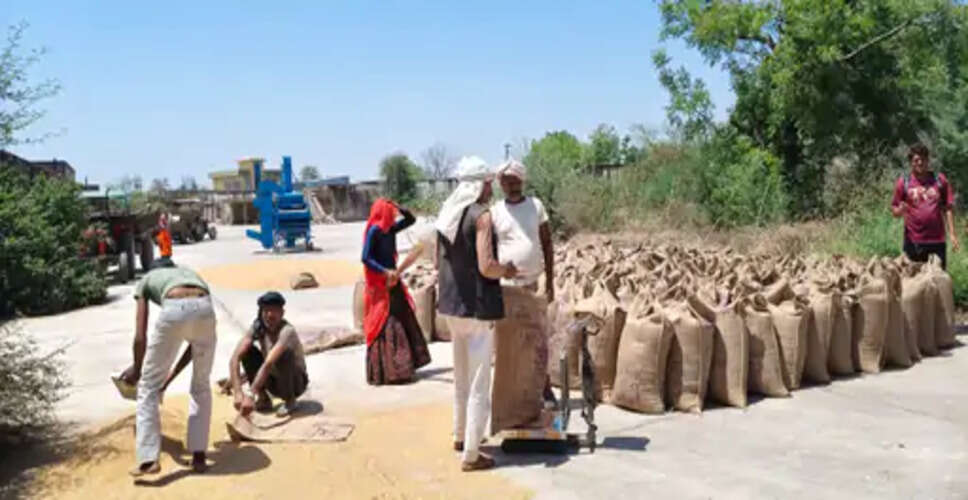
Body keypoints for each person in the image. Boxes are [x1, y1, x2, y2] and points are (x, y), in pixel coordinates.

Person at [435, 156, 517, 472]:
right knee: (479, 382)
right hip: (477, 308)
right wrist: (506, 269)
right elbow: (486, 266)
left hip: (452, 307)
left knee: (461, 376)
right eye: (487, 183)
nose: (490, 189)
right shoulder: (481, 216)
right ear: (479, 185)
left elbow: (439, 262)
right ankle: (471, 454)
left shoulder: (448, 215)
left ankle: (460, 435)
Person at [120, 258, 216, 477]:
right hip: (205, 307)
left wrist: (137, 369)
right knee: (201, 386)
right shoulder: (191, 275)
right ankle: (199, 458)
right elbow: (195, 345)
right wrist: (170, 376)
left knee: (147, 387)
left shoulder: (146, 280)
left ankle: (148, 460)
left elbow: (140, 335)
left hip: (173, 307)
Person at [488, 159, 557, 435]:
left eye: (515, 180)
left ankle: (544, 387)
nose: (511, 185)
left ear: (522, 181)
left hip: (533, 284)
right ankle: (515, 397)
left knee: (538, 339)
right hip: (507, 287)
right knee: (510, 344)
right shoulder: (495, 212)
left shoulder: (536, 206)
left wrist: (550, 281)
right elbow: (490, 249)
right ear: (500, 184)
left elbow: (547, 243)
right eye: (506, 181)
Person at [361, 198, 431, 385]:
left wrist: (399, 206)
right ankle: (390, 371)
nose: (392, 215)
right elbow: (365, 257)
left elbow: (410, 220)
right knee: (386, 321)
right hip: (381, 282)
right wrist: (385, 272)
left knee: (402, 315)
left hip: (394, 279)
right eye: (389, 211)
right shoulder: (375, 230)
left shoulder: (390, 229)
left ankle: (404, 367)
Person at [229, 291, 309, 418]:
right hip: (274, 380)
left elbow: (268, 363)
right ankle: (264, 399)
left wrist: (250, 394)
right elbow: (235, 358)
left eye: (274, 310)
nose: (269, 315)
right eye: (266, 310)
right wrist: (238, 392)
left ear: (282, 313)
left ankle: (290, 401)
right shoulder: (258, 327)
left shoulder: (287, 331)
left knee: (284, 355)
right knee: (248, 352)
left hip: (295, 383)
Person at [891, 142, 960, 269]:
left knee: (938, 278)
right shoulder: (904, 182)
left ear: (928, 160)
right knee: (912, 278)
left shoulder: (939, 180)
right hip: (913, 242)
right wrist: (900, 210)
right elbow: (894, 210)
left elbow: (948, 208)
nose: (920, 163)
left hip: (937, 242)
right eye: (916, 160)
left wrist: (952, 234)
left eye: (923, 159)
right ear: (911, 162)